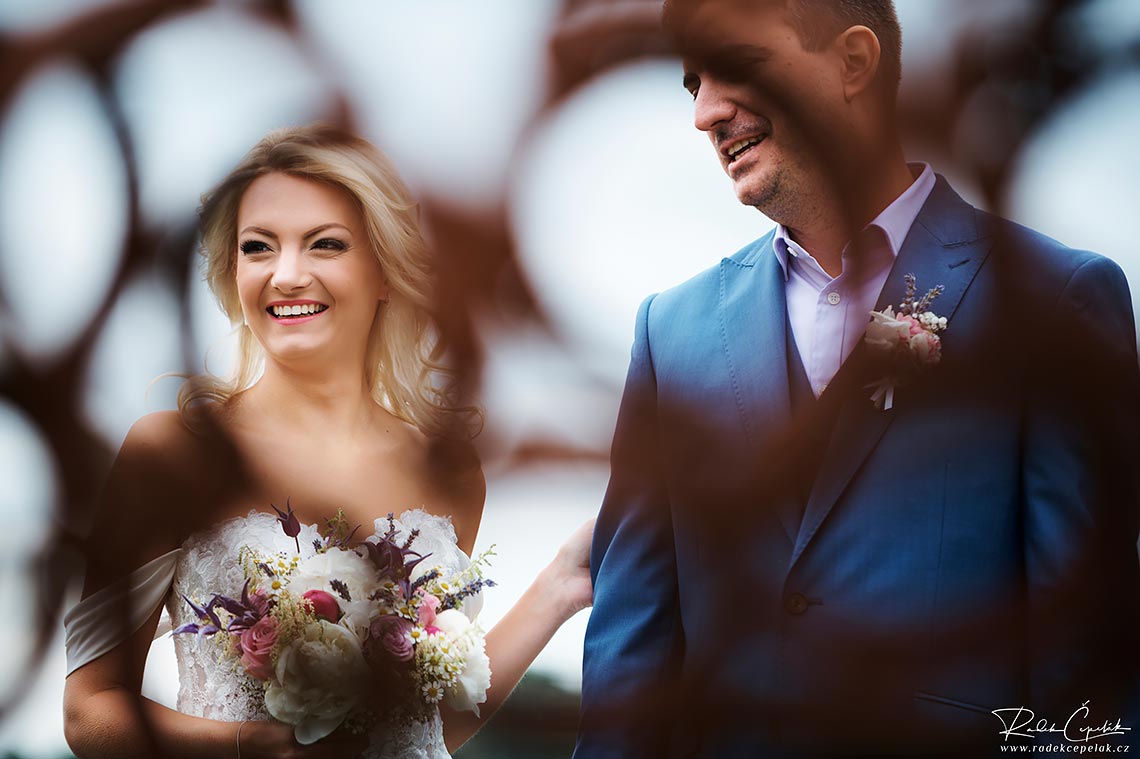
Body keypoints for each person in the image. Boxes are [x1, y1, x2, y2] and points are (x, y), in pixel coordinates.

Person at [575, 1, 1140, 756]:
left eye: (734, 66)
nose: (706, 113)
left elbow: (1088, 659)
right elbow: (629, 660)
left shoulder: (1055, 300)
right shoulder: (669, 331)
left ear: (853, 62)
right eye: (691, 84)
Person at [62, 124, 594, 759]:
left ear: (385, 273)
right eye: (258, 247)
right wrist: (258, 746)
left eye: (326, 245)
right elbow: (88, 713)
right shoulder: (175, 454)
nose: (286, 275)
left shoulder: (448, 469)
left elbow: (428, 725)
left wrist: (561, 586)